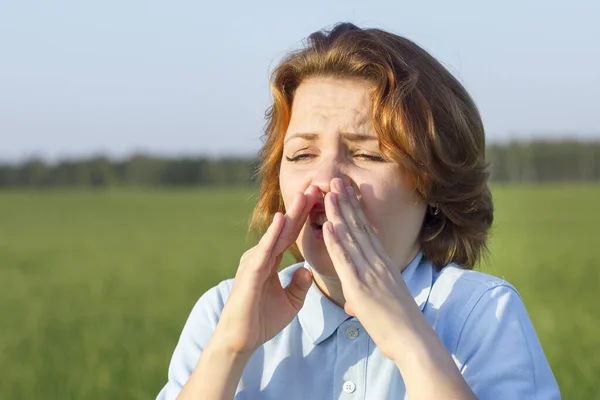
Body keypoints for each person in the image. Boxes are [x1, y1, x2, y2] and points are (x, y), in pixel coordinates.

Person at [157, 23, 560, 399]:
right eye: (301, 154)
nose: (325, 179)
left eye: (367, 154)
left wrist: (408, 339)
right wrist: (229, 348)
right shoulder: (222, 311)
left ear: (434, 183)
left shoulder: (481, 313)